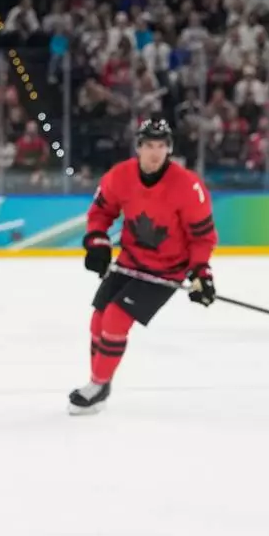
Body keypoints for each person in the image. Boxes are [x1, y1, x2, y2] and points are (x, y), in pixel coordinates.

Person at [69, 119, 219, 415]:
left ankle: (97, 385)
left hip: (166, 271)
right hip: (130, 261)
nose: (155, 153)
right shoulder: (120, 176)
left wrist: (201, 273)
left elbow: (202, 237)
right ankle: (101, 381)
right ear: (138, 148)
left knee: (115, 319)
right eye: (149, 145)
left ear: (169, 149)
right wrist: (97, 242)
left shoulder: (188, 186)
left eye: (161, 146)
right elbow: (101, 211)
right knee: (98, 320)